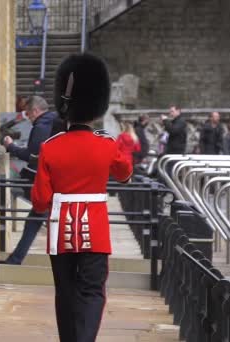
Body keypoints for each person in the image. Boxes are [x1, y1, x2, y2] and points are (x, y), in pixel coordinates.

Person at [32, 53, 132, 342]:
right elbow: (125, 173)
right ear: (97, 106)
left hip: (60, 230)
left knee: (65, 292)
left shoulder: (51, 148)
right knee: (91, 291)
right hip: (96, 231)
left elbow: (39, 200)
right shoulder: (105, 144)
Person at [2, 96, 58, 265]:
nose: (28, 117)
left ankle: (16, 259)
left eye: (28, 113)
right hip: (55, 180)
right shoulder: (54, 121)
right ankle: (16, 259)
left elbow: (33, 156)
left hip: (48, 182)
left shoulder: (41, 126)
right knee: (35, 220)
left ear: (35, 111)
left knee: (40, 219)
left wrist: (11, 146)